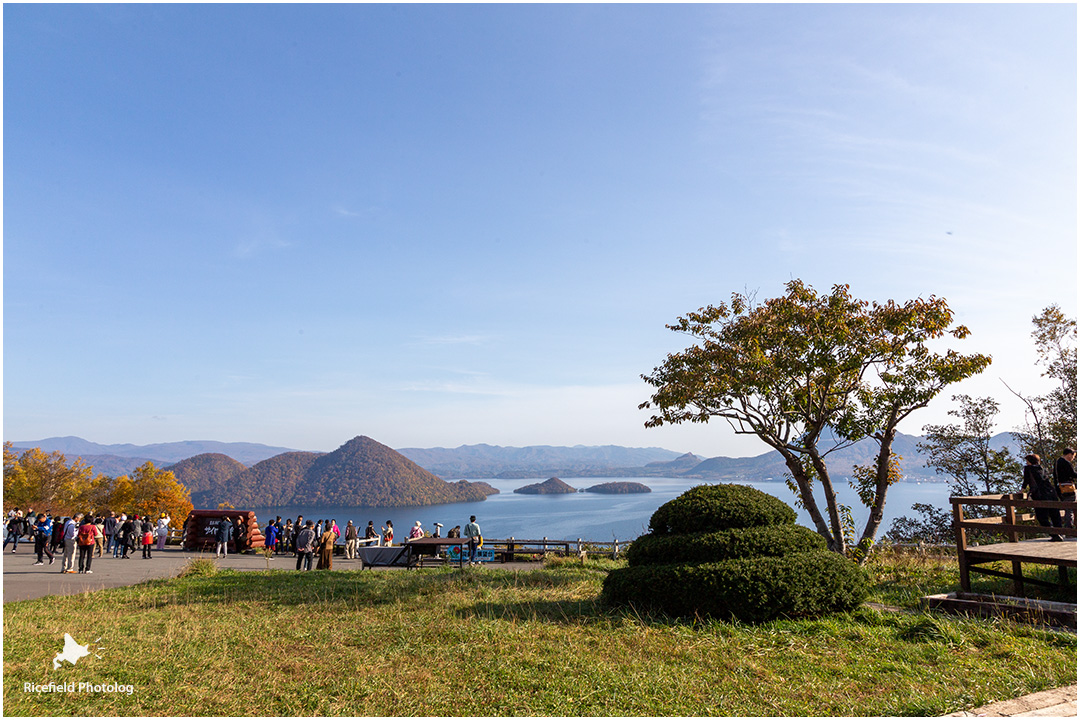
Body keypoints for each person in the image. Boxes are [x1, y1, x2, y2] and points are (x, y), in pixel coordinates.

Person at [1021, 454, 1063, 541]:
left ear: (1030, 461)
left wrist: (1022, 491)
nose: (1026, 462)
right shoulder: (1042, 469)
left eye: (1027, 461)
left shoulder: (1028, 469)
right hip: (1051, 494)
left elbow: (1026, 481)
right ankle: (1059, 533)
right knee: (1055, 514)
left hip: (1040, 496)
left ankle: (1054, 534)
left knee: (1041, 517)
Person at [1055, 448, 1077, 528]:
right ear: (1069, 454)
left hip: (1061, 487)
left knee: (1068, 508)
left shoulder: (1058, 462)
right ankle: (1069, 528)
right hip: (1068, 488)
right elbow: (1073, 474)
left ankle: (1068, 528)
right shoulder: (1066, 463)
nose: (1073, 458)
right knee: (1070, 508)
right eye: (1073, 456)